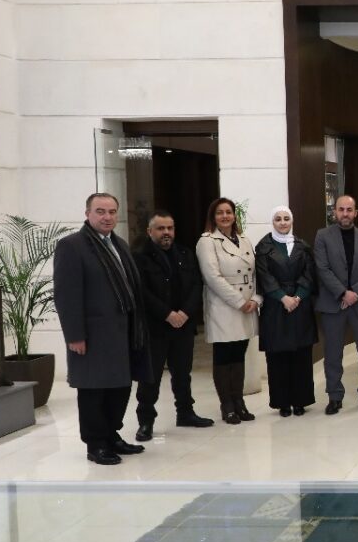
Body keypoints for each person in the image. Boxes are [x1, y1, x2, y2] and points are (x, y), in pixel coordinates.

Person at [53, 193, 151, 465]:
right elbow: (66, 295)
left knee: (119, 387)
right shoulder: (72, 246)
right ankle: (96, 444)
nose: (107, 217)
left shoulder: (120, 244)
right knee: (93, 390)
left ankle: (112, 435)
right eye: (100, 211)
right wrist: (74, 335)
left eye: (111, 212)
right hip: (93, 335)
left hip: (123, 332)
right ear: (88, 214)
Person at [133, 211, 211, 441]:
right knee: (151, 377)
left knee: (182, 373)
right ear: (150, 231)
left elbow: (196, 285)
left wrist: (185, 313)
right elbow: (141, 292)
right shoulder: (140, 257)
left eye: (170, 228)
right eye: (161, 228)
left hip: (183, 326)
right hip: (155, 327)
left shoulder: (185, 254)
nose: (166, 232)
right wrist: (167, 314)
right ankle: (146, 421)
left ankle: (185, 413)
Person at [197, 197, 261, 425]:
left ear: (234, 216)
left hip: (247, 305)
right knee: (224, 357)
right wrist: (238, 301)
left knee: (239, 355)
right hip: (224, 307)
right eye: (220, 213)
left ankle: (239, 403)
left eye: (228, 212)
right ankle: (227, 405)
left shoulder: (244, 240)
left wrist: (255, 299)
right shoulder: (207, 241)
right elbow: (212, 277)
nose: (225, 216)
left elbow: (256, 273)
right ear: (213, 217)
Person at [314, 195, 358, 414]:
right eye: (341, 209)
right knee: (333, 354)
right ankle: (334, 396)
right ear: (335, 212)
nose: (345, 214)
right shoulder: (322, 236)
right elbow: (322, 268)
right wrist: (343, 293)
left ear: (355, 213)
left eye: (349, 210)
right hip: (333, 304)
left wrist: (354, 293)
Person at [255, 206, 318, 418]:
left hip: (300, 306)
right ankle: (282, 402)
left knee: (301, 356)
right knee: (278, 357)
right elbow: (264, 276)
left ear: (292, 221)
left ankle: (301, 401)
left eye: (286, 219)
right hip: (276, 307)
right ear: (272, 222)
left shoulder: (303, 246)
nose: (282, 223)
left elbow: (309, 275)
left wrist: (297, 297)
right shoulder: (263, 247)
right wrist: (283, 297)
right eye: (278, 219)